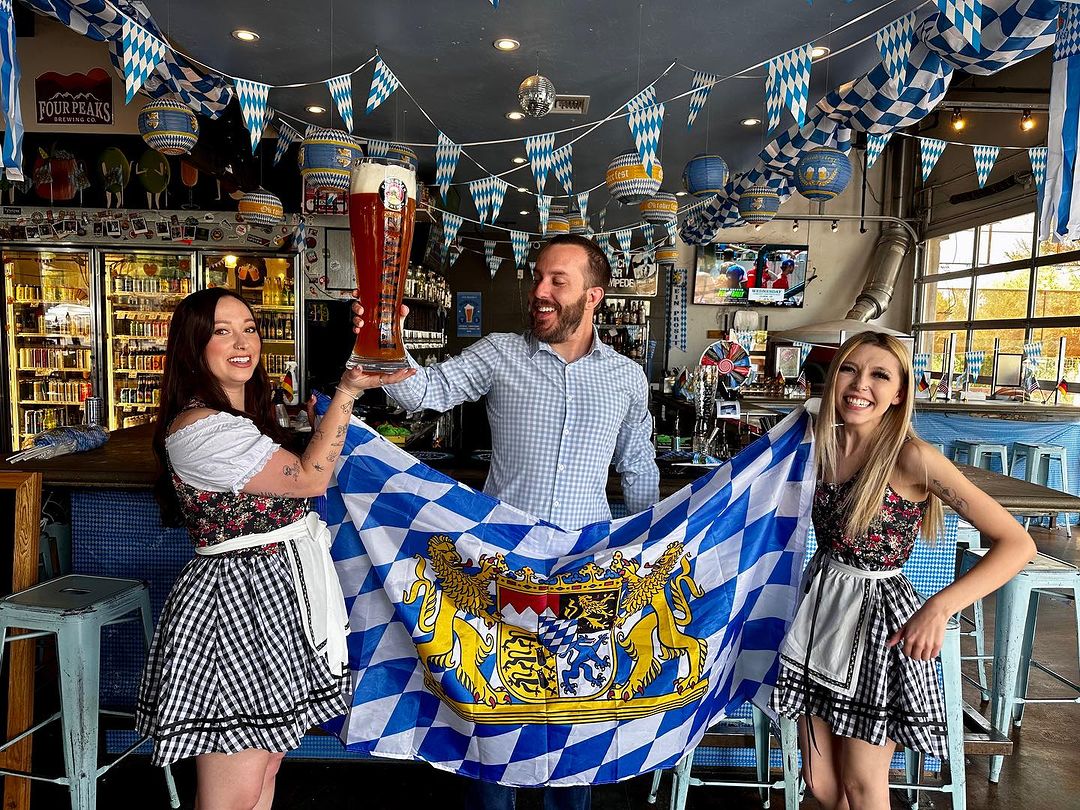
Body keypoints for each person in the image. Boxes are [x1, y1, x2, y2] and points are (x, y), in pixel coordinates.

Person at [354, 233, 659, 810]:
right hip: (501, 569)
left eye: (556, 282)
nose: (539, 292)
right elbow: (422, 395)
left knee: (573, 737)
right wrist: (385, 334)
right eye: (537, 278)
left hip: (585, 574)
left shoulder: (626, 377)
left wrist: (653, 545)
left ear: (594, 296)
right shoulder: (499, 353)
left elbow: (639, 466)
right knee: (493, 737)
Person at [137, 287, 412, 810]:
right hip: (234, 612)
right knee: (231, 794)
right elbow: (310, 479)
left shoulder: (244, 419)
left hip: (272, 603)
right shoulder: (200, 427)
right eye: (222, 331)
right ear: (193, 347)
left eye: (249, 328)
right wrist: (348, 391)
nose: (242, 342)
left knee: (263, 771)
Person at [770, 331, 1036, 810]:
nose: (860, 384)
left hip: (878, 621)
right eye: (850, 369)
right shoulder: (816, 443)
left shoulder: (911, 458)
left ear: (898, 393)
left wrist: (940, 608)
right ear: (833, 379)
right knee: (821, 785)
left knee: (862, 785)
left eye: (879, 375)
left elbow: (1018, 543)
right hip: (819, 608)